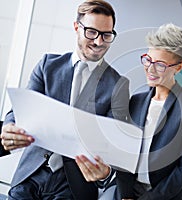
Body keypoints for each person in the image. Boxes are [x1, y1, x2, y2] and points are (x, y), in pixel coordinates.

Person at [0, 0, 129, 199]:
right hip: (30, 175)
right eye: (91, 32)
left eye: (106, 35)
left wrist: (106, 173)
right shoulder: (47, 66)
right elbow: (19, 112)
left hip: (74, 187)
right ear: (77, 27)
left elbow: (113, 144)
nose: (98, 42)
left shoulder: (117, 85)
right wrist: (9, 127)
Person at [115, 23, 182, 200]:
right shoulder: (136, 101)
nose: (150, 68)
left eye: (160, 65)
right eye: (148, 59)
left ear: (178, 67)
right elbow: (124, 154)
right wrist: (126, 195)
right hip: (129, 192)